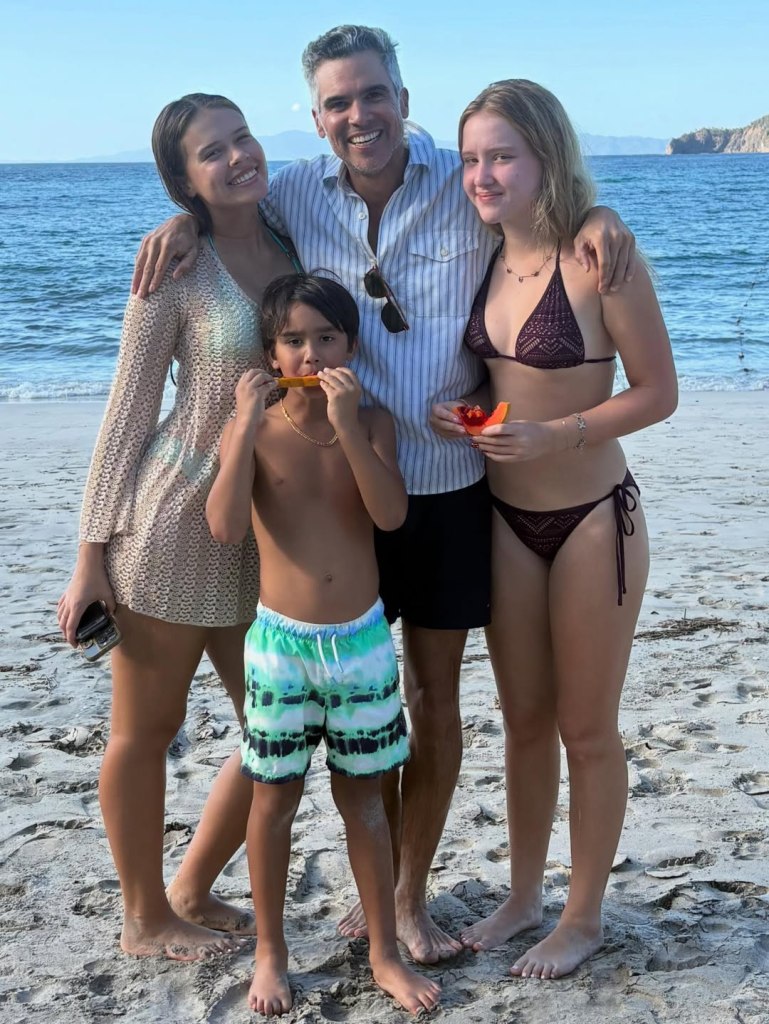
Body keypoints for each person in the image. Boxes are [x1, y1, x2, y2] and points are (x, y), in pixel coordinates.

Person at [130, 26, 638, 964]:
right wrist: (182, 222)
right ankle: (198, 885)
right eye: (335, 102)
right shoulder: (290, 191)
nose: (356, 116)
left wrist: (597, 220)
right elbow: (226, 200)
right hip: (330, 505)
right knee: (300, 710)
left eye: (371, 94)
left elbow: (538, 204)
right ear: (316, 118)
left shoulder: (461, 179)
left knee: (432, 697)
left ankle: (404, 900)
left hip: (447, 488)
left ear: (402, 96)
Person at [431, 79, 678, 979]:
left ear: (545, 156)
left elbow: (657, 391)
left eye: (501, 156)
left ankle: (581, 916)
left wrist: (560, 432)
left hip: (590, 522)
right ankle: (524, 895)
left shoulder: (597, 254)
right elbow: (498, 389)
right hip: (505, 516)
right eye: (470, 159)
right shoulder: (482, 254)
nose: (482, 175)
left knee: (587, 727)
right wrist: (463, 416)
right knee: (523, 721)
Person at [56, 93, 301, 960]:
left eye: (242, 138)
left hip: (262, 531)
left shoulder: (292, 240)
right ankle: (142, 915)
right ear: (182, 180)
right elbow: (126, 413)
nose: (238, 156)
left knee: (278, 728)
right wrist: (91, 555)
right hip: (166, 526)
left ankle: (192, 884)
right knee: (144, 731)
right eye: (212, 152)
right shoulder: (175, 266)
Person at [206, 273, 441, 1016]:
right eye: (294, 340)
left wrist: (345, 424)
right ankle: (271, 953)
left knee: (365, 804)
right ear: (270, 354)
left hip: (362, 643)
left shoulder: (370, 424)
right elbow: (223, 527)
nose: (310, 352)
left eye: (326, 338)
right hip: (279, 644)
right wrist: (243, 426)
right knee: (272, 799)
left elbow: (390, 513)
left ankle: (382, 951)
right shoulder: (254, 426)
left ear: (351, 344)